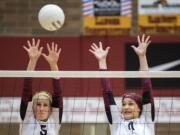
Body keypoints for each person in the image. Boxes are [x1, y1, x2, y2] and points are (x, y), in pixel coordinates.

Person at [89, 34, 155, 135]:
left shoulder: (147, 120)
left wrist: (142, 57)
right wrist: (102, 61)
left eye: (131, 104)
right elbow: (107, 93)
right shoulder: (117, 123)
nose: (126, 107)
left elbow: (147, 88)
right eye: (124, 104)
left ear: (139, 108)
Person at [19, 38, 63, 135]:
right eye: (38, 104)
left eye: (45, 105)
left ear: (50, 109)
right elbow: (26, 89)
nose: (41, 108)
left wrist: (53, 64)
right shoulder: (27, 118)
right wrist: (33, 61)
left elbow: (58, 94)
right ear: (33, 107)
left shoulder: (54, 121)